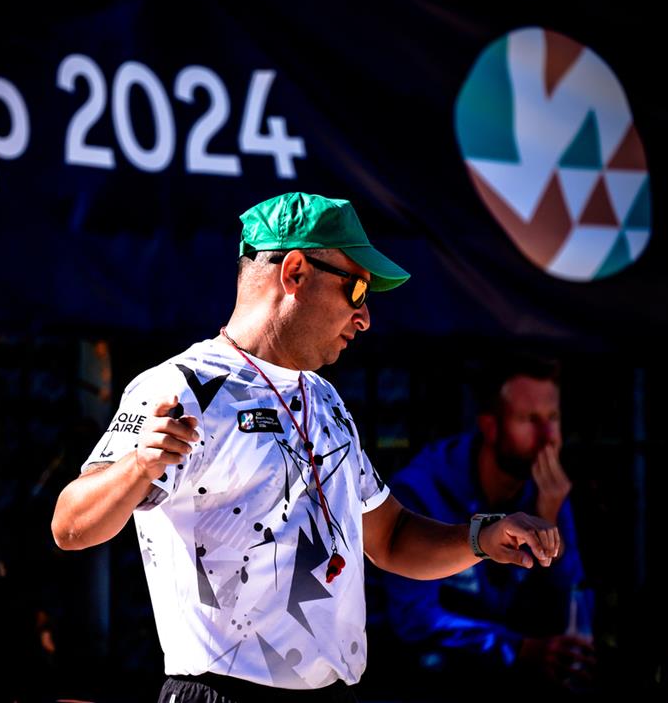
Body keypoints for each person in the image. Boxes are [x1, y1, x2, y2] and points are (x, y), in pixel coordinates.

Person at [51, 192, 563, 702]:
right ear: (294, 272)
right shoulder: (182, 386)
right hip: (221, 693)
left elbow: (391, 538)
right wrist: (137, 466)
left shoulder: (323, 397)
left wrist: (482, 537)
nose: (365, 317)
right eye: (357, 289)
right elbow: (69, 526)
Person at [378, 355, 596, 698]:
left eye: (553, 418)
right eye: (529, 420)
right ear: (490, 427)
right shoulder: (425, 489)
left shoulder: (545, 489)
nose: (548, 437)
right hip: (419, 681)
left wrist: (551, 521)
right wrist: (519, 648)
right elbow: (413, 620)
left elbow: (573, 604)